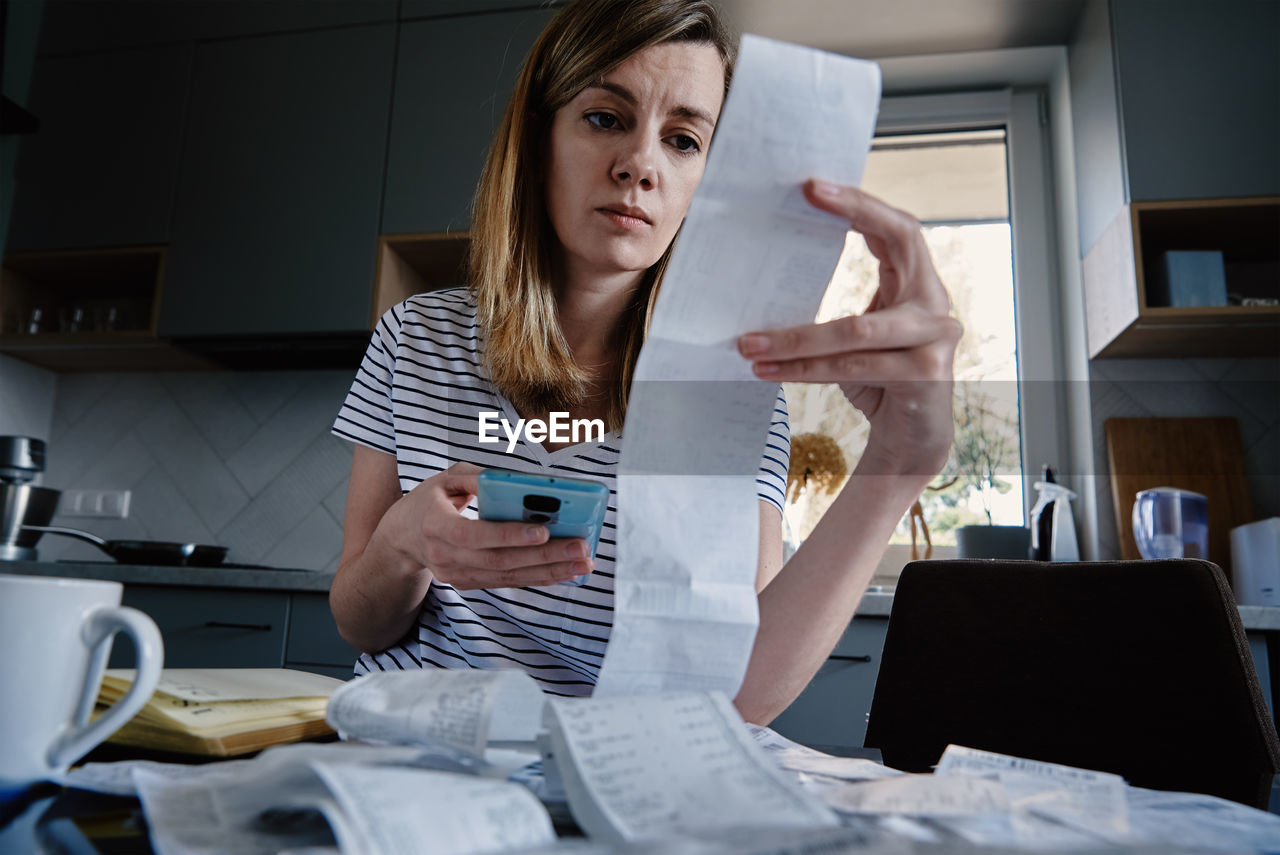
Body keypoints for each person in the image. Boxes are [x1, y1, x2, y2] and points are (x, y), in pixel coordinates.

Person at [330, 0, 959, 725]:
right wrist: (405, 542)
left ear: (705, 187)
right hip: (405, 753)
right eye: (605, 118)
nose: (640, 166)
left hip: (606, 773)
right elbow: (359, 621)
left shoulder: (735, 393)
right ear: (540, 141)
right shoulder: (415, 337)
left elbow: (739, 696)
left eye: (684, 140)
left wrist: (899, 463)